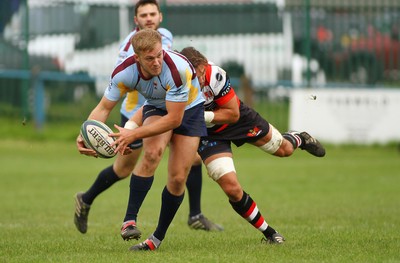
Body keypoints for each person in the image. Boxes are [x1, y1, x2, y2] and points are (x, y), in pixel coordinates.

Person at [116, 46, 326, 251]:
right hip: (209, 134)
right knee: (231, 187)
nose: (197, 80)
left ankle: (299, 138)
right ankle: (270, 233)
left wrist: (200, 115)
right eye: (193, 75)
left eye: (199, 74)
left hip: (236, 120)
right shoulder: (176, 77)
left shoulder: (215, 76)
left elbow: (233, 113)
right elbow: (150, 106)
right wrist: (129, 129)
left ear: (204, 67)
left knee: (284, 150)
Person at [73, 0, 222, 239]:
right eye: (149, 58)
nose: (156, 62)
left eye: (159, 56)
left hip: (188, 109)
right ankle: (127, 221)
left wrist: (133, 133)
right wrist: (85, 132)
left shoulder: (175, 67)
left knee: (180, 172)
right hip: (147, 108)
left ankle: (185, 219)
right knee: (145, 157)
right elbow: (103, 106)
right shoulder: (125, 69)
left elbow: (175, 119)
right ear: (137, 56)